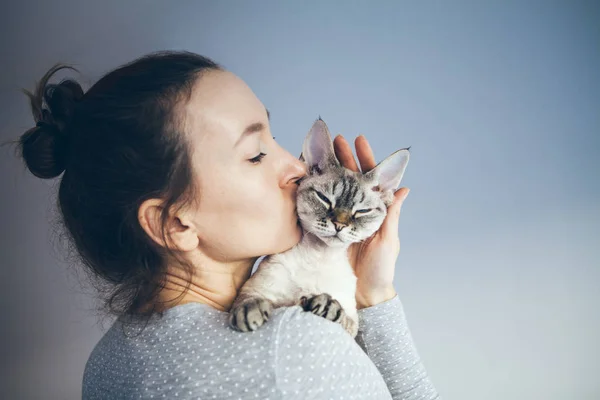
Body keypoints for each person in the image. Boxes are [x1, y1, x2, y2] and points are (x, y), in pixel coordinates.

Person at [15, 51, 441, 399]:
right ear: (175, 223)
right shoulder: (295, 350)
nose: (297, 167)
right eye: (256, 153)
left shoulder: (106, 362)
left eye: (274, 137)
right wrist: (378, 300)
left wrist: (362, 289)